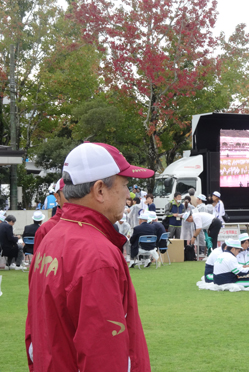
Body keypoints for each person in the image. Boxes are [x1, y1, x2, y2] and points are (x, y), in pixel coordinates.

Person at [26, 142, 152, 371]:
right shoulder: (96, 256)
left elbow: (34, 337)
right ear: (100, 190)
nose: (129, 193)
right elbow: (105, 355)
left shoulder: (51, 239)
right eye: (126, 184)